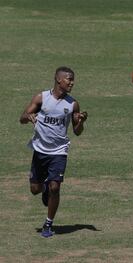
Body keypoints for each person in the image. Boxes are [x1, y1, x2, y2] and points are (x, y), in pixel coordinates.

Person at [20, 66, 88, 238]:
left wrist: (81, 121)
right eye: (69, 79)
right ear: (59, 80)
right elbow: (22, 118)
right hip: (40, 149)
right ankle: (44, 189)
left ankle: (48, 224)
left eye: (73, 80)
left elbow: (77, 131)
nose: (72, 83)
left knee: (55, 187)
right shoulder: (42, 98)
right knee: (34, 189)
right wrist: (28, 117)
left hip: (59, 151)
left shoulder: (72, 104)